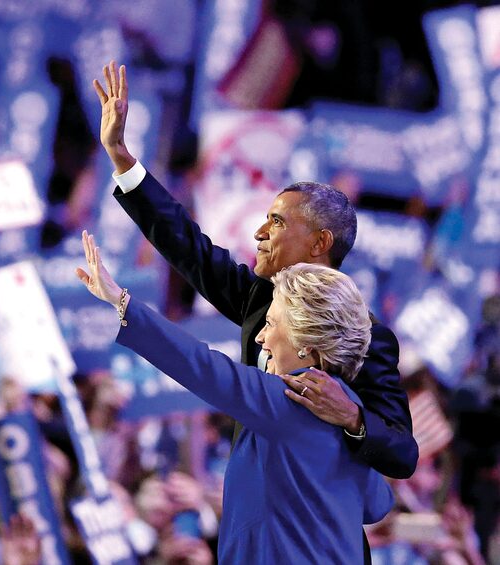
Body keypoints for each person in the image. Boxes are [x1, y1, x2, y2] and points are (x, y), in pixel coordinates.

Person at [92, 61, 417, 481]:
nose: (260, 232)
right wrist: (121, 156)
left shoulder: (368, 339)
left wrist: (352, 415)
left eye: (278, 222)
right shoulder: (257, 299)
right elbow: (186, 245)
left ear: (320, 243)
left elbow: (403, 453)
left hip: (319, 527)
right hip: (251, 512)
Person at [76, 231, 394, 563]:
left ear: (306, 344)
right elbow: (376, 503)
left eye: (271, 324)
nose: (261, 337)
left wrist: (122, 302)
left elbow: (202, 366)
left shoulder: (289, 400)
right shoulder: (346, 409)